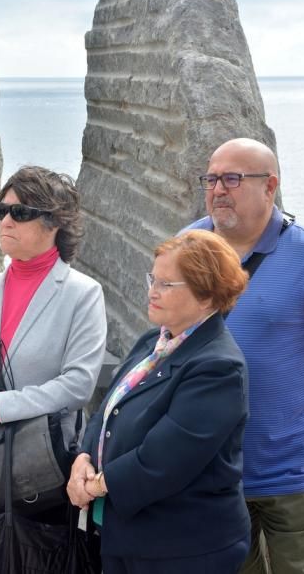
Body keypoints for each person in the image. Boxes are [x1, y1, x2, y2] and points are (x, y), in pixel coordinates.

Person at [0, 166, 107, 550]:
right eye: (1, 211)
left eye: (20, 212)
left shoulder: (82, 294)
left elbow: (78, 385)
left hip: (39, 470)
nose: (6, 221)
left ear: (54, 223)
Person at [68, 229, 250, 574]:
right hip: (128, 536)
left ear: (208, 295)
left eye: (168, 284)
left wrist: (93, 486)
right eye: (153, 278)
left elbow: (164, 460)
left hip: (183, 548)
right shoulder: (155, 340)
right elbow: (109, 409)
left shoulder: (219, 366)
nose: (152, 291)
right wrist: (83, 456)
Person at [187, 137, 304, 574]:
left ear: (270, 186)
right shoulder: (187, 246)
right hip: (210, 472)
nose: (219, 188)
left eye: (233, 178)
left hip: (291, 476)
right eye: (212, 178)